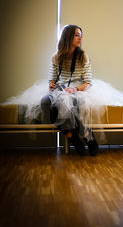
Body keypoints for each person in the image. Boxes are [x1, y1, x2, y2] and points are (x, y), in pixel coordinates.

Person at [40, 24, 99, 156]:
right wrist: (51, 84)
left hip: (78, 88)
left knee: (70, 102)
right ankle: (71, 134)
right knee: (45, 102)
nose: (80, 38)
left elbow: (88, 82)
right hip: (60, 88)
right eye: (77, 35)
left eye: (81, 35)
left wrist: (75, 89)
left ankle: (85, 135)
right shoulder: (56, 56)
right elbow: (52, 79)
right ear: (67, 37)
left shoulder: (83, 56)